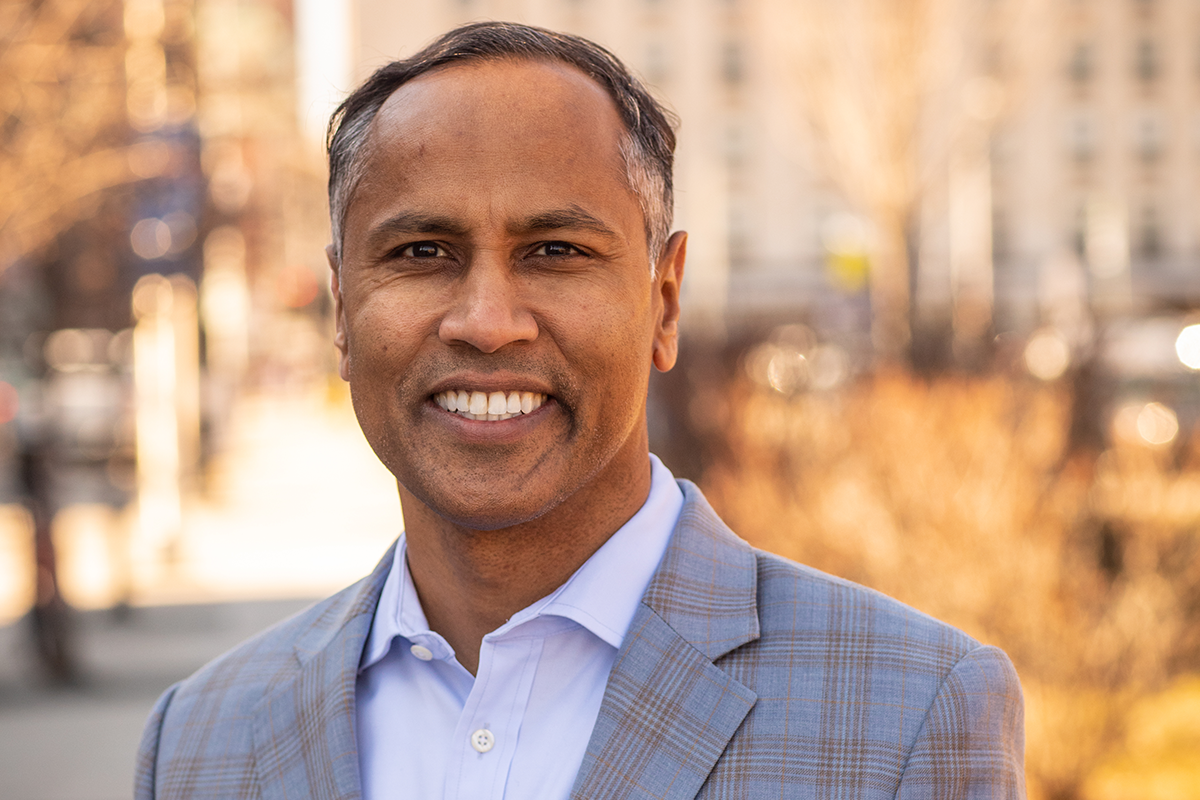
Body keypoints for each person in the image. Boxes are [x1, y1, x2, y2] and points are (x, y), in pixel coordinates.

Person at [135, 22, 1025, 799]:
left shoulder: (910, 715)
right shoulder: (198, 742)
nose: (487, 322)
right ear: (341, 309)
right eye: (422, 250)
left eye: (555, 250)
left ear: (664, 303)